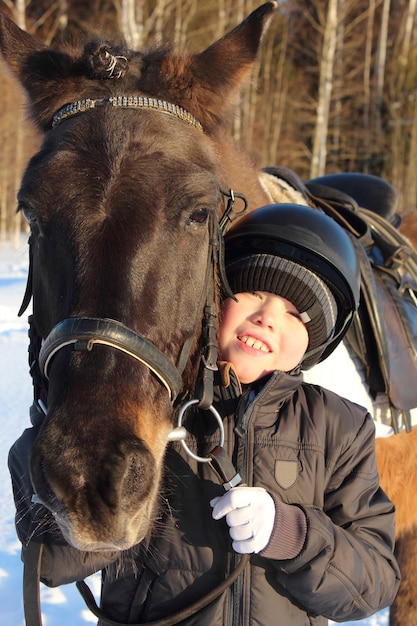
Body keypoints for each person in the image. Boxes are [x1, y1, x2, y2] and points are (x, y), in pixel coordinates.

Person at [9, 203, 400, 626]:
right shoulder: (149, 407)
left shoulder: (340, 427)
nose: (267, 317)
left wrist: (293, 534)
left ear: (315, 342)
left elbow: (373, 583)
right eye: (253, 292)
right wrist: (65, 432)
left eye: (294, 313)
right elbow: (52, 560)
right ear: (213, 301)